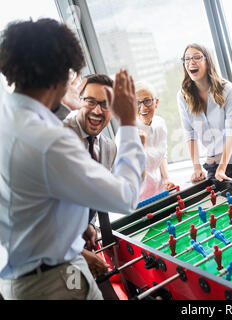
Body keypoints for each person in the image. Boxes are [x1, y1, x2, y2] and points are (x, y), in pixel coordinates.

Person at [0, 19, 146, 300]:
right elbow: (126, 197)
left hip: (26, 276)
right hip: (51, 284)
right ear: (61, 74)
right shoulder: (50, 139)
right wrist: (127, 122)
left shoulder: (9, 118)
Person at [177, 43, 232, 183]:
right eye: (187, 59)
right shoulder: (183, 95)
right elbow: (189, 133)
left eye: (197, 57)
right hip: (212, 164)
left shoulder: (226, 88)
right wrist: (196, 167)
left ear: (207, 61)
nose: (191, 62)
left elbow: (231, 131)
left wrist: (222, 168)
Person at [63, 74, 117, 253]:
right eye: (90, 101)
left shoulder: (109, 148)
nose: (98, 111)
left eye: (105, 104)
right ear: (78, 100)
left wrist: (89, 225)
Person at [135, 81, 175, 201]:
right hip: (139, 199)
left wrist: (167, 178)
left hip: (161, 191)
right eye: (137, 103)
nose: (143, 108)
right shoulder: (126, 132)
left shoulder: (160, 123)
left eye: (147, 101)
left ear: (156, 102)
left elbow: (161, 155)